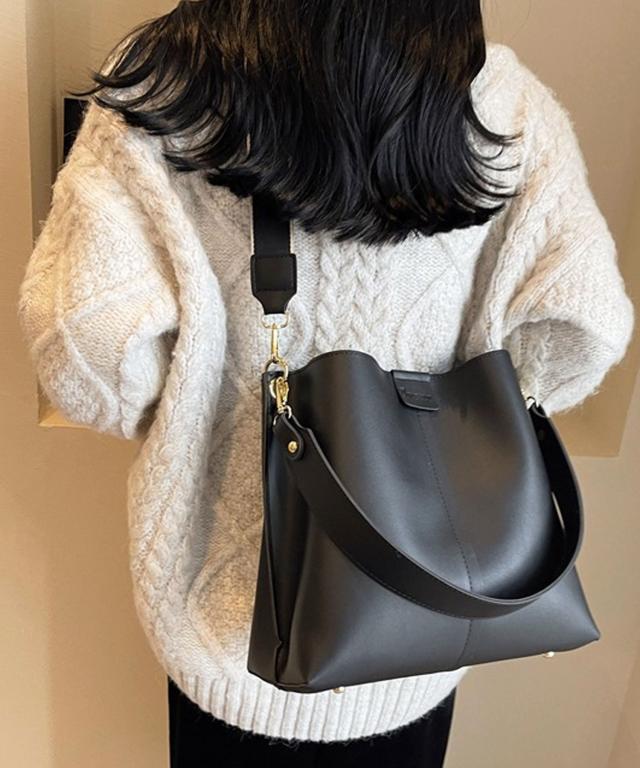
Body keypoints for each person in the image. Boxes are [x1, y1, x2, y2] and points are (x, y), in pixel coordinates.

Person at [17, 1, 634, 766]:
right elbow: (581, 330)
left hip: (225, 636)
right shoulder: (502, 101)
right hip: (429, 619)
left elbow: (90, 356)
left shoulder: (159, 92)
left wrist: (191, 403)